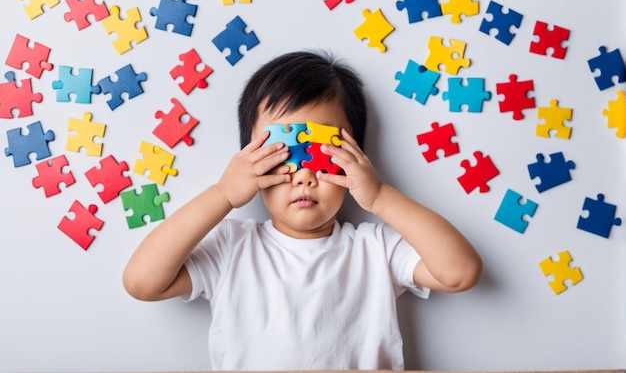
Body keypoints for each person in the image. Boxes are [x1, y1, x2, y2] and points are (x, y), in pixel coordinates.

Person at [123, 50, 482, 370]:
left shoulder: (375, 248)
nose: (305, 175)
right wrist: (223, 194)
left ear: (357, 156)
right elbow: (142, 283)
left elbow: (460, 273)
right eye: (283, 151)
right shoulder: (231, 246)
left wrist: (378, 197)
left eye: (325, 150)